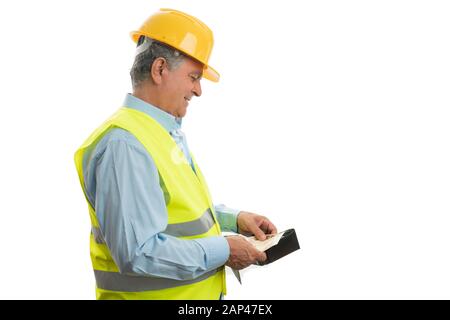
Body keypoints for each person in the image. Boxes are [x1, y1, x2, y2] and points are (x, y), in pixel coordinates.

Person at [74, 8, 277, 300]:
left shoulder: (159, 132)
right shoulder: (125, 145)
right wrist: (224, 250)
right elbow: (138, 253)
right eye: (194, 77)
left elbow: (168, 209)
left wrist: (235, 219)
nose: (198, 90)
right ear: (159, 69)